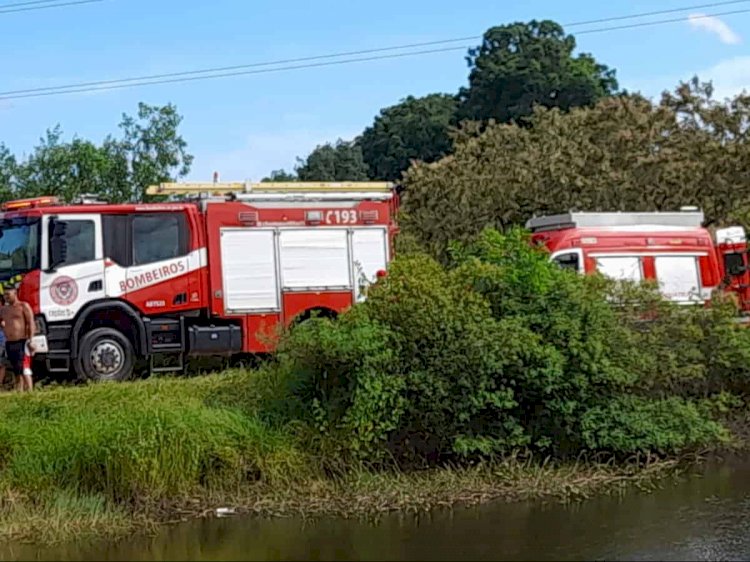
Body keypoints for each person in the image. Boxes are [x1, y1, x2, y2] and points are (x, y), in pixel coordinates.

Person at [0, 287, 35, 391]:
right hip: (9, 342)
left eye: (8, 294)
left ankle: (30, 391)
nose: (6, 297)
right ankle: (19, 391)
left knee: (24, 368)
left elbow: (31, 323)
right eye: (5, 295)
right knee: (16, 369)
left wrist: (31, 340)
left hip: (22, 341)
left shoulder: (23, 306)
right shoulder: (4, 310)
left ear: (15, 293)